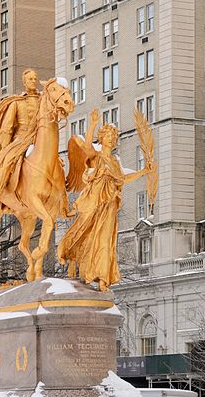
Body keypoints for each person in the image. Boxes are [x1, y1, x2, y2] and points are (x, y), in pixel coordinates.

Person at [58, 109, 152, 291]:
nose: (110, 138)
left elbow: (124, 177)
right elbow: (85, 148)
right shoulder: (96, 156)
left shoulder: (115, 162)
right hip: (93, 203)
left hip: (109, 205)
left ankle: (102, 277)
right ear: (101, 138)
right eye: (107, 134)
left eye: (113, 135)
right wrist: (92, 124)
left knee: (105, 239)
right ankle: (70, 252)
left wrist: (144, 171)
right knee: (83, 229)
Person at [0, 69, 41, 215]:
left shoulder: (43, 100)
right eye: (30, 79)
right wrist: (5, 148)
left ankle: (62, 201)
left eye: (35, 78)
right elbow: (7, 127)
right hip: (20, 141)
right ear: (24, 82)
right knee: (7, 163)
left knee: (56, 162)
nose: (33, 81)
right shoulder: (17, 102)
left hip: (39, 141)